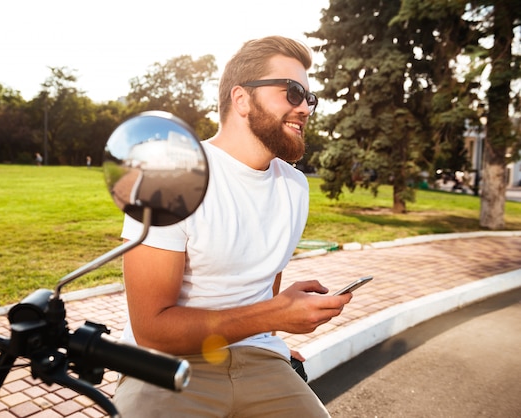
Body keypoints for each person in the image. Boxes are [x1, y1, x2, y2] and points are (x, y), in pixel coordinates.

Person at [114, 36, 352, 417]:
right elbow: (151, 329)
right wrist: (276, 313)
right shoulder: (171, 177)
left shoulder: (294, 186)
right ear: (241, 99)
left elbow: (264, 282)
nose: (305, 108)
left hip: (258, 359)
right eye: (293, 92)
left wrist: (270, 338)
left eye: (310, 98)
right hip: (165, 365)